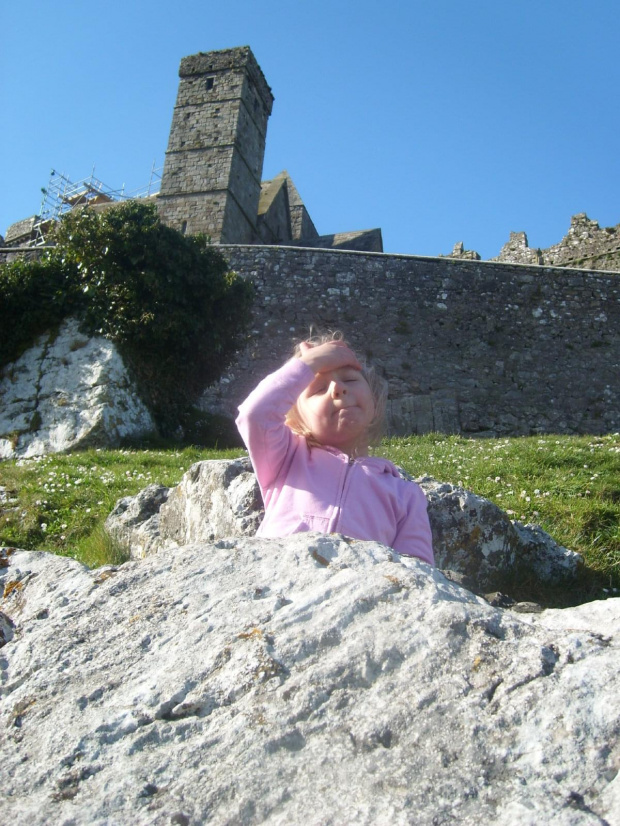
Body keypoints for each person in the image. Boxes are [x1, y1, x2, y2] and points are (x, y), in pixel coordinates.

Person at [236, 334, 434, 565]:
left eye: (350, 380)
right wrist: (310, 363)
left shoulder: (405, 495)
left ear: (375, 400)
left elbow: (418, 569)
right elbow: (255, 414)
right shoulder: (285, 459)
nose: (338, 388)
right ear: (295, 420)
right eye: (319, 389)